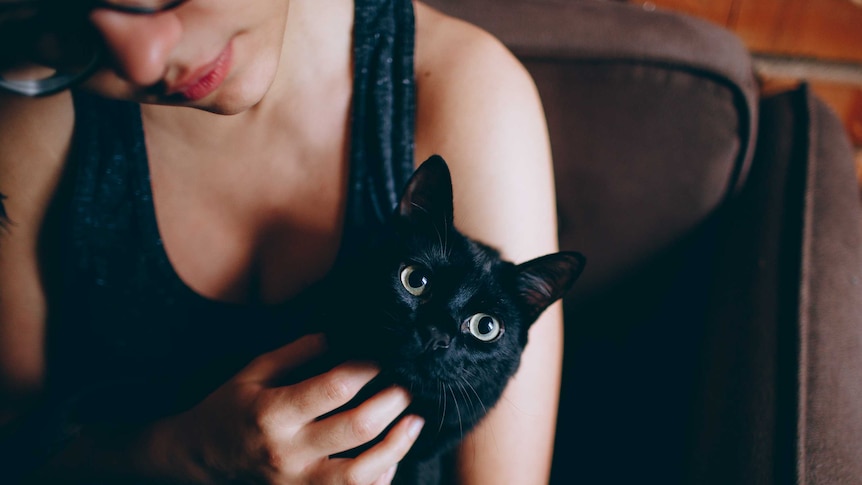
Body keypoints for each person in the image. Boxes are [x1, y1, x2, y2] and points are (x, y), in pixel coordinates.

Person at [0, 0, 562, 483]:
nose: (140, 59)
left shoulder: (465, 88)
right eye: (65, 9)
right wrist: (177, 457)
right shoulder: (21, 104)